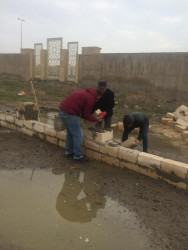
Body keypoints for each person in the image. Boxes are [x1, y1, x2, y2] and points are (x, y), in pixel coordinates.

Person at [59, 88, 103, 162]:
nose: (97, 101)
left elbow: (83, 114)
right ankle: (78, 156)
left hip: (62, 111)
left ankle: (68, 152)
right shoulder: (91, 98)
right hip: (69, 113)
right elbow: (86, 115)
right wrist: (96, 119)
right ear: (97, 96)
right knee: (78, 135)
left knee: (70, 133)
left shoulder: (86, 94)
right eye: (98, 99)